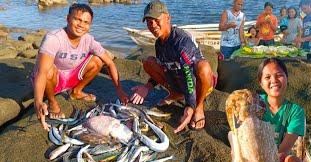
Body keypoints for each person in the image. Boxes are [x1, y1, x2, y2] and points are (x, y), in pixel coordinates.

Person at [32, 3, 129, 131]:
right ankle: (52, 102)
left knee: (97, 61)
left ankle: (76, 92)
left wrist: (119, 90)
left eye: (86, 22)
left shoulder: (89, 40)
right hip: (51, 80)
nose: (81, 25)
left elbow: (110, 63)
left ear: (90, 25)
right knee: (48, 69)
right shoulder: (53, 38)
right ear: (68, 18)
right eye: (77, 19)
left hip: (72, 76)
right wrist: (38, 101)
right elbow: (41, 72)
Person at [130, 0, 218, 133]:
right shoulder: (159, 43)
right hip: (179, 78)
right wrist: (147, 87)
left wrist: (190, 106)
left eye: (156, 19)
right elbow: (164, 67)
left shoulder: (181, 41)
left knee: (204, 67)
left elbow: (188, 74)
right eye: (149, 21)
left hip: (196, 83)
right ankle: (176, 94)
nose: (153, 25)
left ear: (168, 17)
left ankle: (199, 107)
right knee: (148, 62)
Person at [230, 58, 311, 162]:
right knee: (236, 149)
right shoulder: (252, 104)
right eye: (267, 77)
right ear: (260, 83)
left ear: (287, 78)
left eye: (279, 75)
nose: (274, 80)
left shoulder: (296, 111)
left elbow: (283, 151)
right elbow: (242, 141)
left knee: (291, 160)